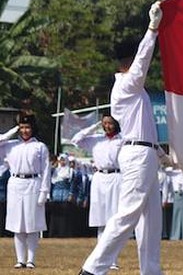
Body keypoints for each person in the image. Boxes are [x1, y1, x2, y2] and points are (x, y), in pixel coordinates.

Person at [79, 1, 171, 275]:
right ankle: (93, 268)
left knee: (151, 220)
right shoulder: (126, 85)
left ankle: (151, 270)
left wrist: (160, 153)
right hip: (137, 154)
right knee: (128, 214)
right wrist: (152, 30)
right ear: (128, 62)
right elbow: (142, 63)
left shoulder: (131, 88)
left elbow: (144, 128)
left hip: (146, 152)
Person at [70, 114, 124, 269]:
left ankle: (112, 259)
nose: (107, 126)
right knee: (100, 220)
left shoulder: (122, 140)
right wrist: (94, 127)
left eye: (110, 123)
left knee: (113, 220)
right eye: (104, 123)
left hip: (116, 177)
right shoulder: (95, 140)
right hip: (99, 178)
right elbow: (76, 139)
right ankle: (101, 258)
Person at [0, 115, 50, 269]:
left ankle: (31, 260)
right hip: (15, 184)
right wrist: (13, 130)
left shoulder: (40, 146)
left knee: (32, 223)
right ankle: (20, 259)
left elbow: (46, 170)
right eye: (21, 127)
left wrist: (44, 191)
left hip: (33, 183)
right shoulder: (10, 145)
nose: (25, 130)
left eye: (27, 127)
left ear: (33, 128)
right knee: (17, 224)